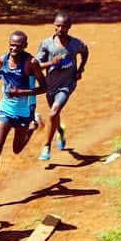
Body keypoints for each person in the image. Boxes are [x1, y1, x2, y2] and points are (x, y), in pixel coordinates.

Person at [0, 31, 47, 206]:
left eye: (18, 45)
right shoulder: (3, 59)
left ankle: (33, 126)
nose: (14, 48)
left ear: (25, 46)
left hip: (24, 111)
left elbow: (44, 87)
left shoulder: (31, 63)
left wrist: (21, 92)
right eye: (11, 45)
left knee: (17, 149)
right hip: (5, 110)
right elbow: (0, 74)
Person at [35, 12, 89, 161]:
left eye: (63, 26)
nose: (60, 29)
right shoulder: (46, 44)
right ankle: (60, 130)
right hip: (50, 85)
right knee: (55, 115)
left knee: (53, 113)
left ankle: (46, 147)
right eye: (57, 25)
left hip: (67, 84)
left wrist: (80, 69)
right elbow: (37, 65)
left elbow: (85, 52)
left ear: (69, 27)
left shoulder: (75, 43)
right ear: (54, 25)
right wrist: (52, 63)